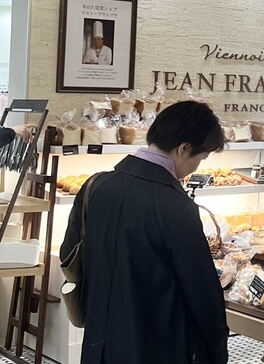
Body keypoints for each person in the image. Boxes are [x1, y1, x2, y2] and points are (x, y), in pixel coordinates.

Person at [60, 101, 228, 364]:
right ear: (184, 149)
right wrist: (217, 349)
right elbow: (200, 289)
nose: (197, 166)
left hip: (100, 338)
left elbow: (68, 253)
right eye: (201, 158)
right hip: (157, 342)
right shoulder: (176, 205)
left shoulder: (96, 185)